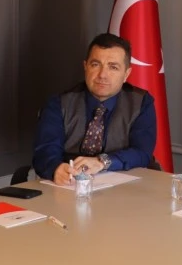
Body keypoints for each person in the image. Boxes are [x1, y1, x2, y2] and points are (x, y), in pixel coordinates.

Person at [32, 33, 157, 185]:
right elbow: (45, 151)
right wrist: (55, 168)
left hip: (124, 186)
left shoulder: (141, 102)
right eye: (95, 64)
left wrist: (101, 162)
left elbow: (142, 153)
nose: (102, 75)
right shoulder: (59, 103)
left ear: (126, 74)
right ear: (85, 67)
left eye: (113, 67)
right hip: (70, 185)